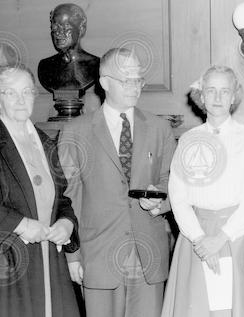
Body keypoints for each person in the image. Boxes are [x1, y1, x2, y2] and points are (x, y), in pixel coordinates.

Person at [162, 65, 244, 317]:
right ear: (202, 96)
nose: (217, 98)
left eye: (224, 91)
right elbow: (178, 195)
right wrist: (199, 240)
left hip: (239, 236)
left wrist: (220, 239)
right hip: (196, 239)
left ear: (233, 97)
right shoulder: (188, 140)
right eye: (211, 90)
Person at [58, 47, 176, 317]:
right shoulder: (75, 132)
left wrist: (161, 202)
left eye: (139, 80)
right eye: (127, 80)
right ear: (104, 82)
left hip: (148, 254)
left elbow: (171, 182)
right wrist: (73, 256)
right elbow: (68, 198)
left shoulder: (160, 129)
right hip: (98, 256)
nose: (135, 87)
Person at [0, 64, 80, 317]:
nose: (21, 100)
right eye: (10, 93)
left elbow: (63, 199)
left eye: (27, 92)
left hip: (49, 260)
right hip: (8, 261)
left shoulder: (45, 141)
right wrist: (21, 224)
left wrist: (67, 224)